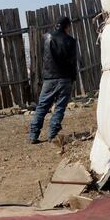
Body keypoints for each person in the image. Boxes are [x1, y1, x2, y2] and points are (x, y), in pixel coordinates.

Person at [28, 16, 78, 144]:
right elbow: (72, 62)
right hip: (65, 78)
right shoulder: (70, 41)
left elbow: (43, 57)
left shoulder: (45, 37)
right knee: (60, 107)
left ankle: (33, 135)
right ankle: (52, 134)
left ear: (56, 25)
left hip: (49, 78)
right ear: (67, 26)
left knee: (42, 107)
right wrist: (73, 78)